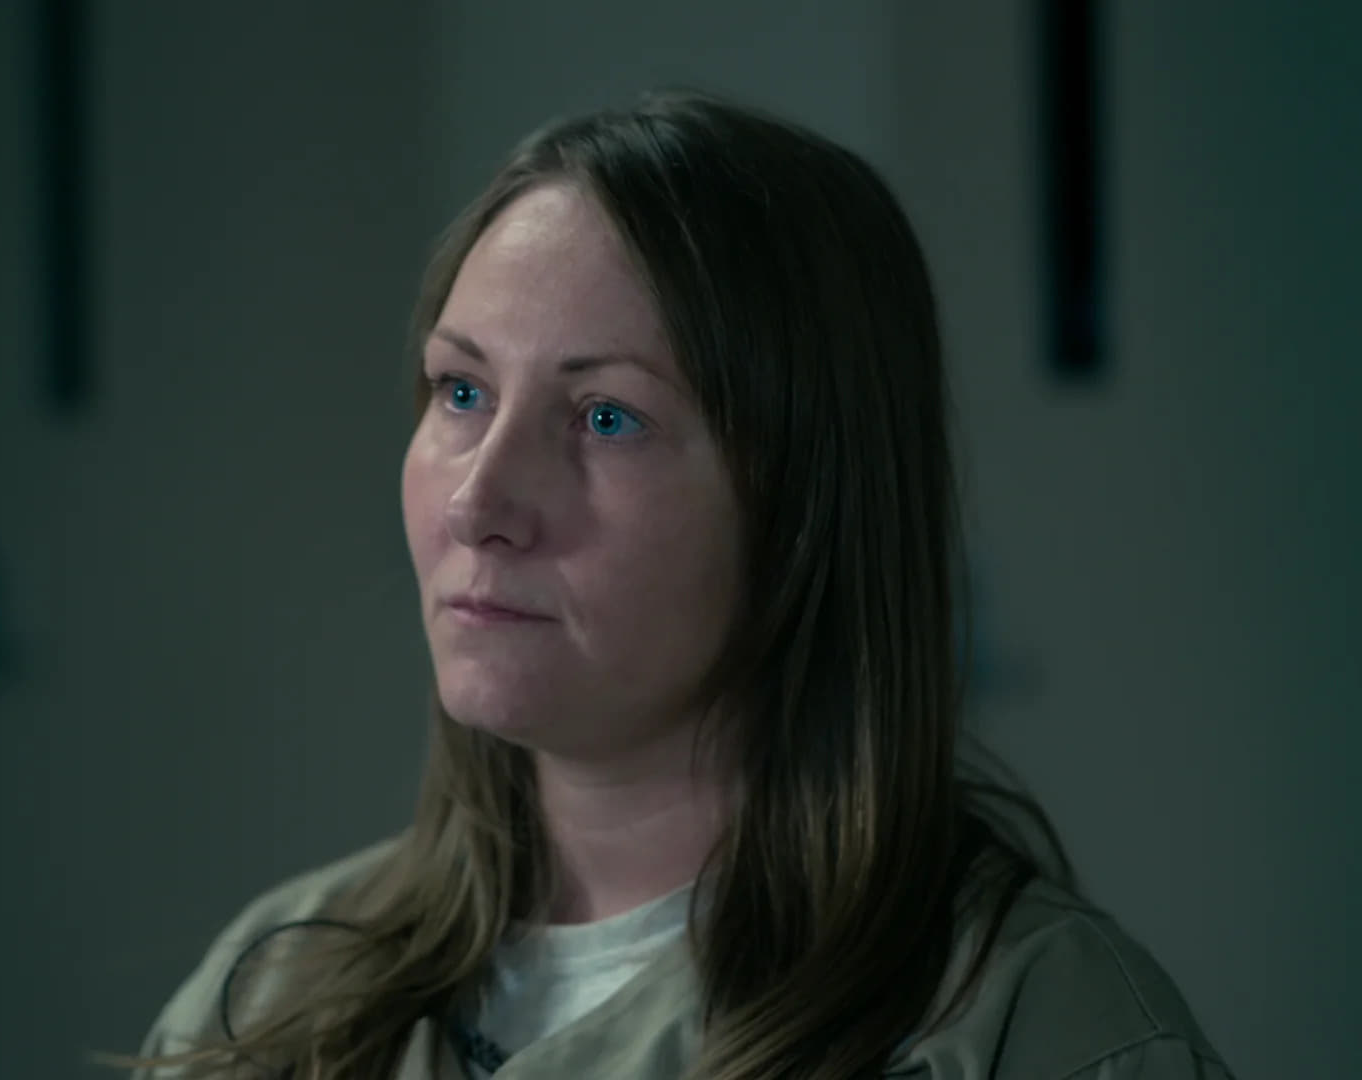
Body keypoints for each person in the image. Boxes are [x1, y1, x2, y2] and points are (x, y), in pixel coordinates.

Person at [121, 90, 1233, 1079]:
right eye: (461, 392)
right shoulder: (275, 996)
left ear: (804, 507)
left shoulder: (1032, 1033)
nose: (477, 502)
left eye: (606, 417)